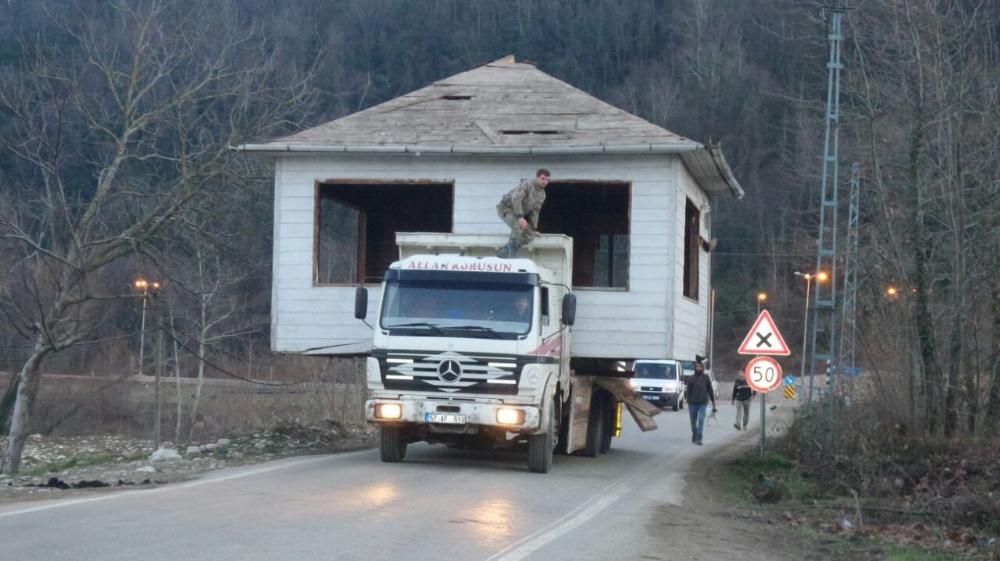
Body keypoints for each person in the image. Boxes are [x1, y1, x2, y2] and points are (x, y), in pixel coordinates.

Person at [496, 169, 550, 258]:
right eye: (543, 178)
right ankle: (511, 256)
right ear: (537, 178)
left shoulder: (542, 194)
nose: (545, 182)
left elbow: (535, 212)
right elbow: (515, 198)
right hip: (505, 208)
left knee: (530, 235)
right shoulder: (528, 184)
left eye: (547, 180)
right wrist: (520, 217)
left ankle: (504, 252)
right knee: (518, 225)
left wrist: (533, 228)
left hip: (517, 214)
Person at [684, 357, 716, 445]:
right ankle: (694, 434)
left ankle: (699, 437)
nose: (698, 368)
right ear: (695, 368)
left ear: (702, 368)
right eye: (697, 367)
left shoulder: (706, 378)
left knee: (701, 419)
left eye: (700, 367)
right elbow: (688, 391)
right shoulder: (691, 378)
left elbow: (710, 390)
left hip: (702, 403)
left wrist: (713, 403)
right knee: (693, 422)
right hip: (692, 403)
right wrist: (688, 400)